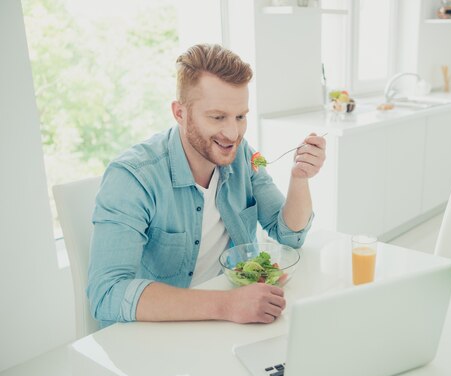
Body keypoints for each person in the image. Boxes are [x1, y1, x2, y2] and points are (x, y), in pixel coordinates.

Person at [87, 44, 326, 328]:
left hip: (227, 319)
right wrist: (227, 305)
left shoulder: (244, 157)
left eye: (240, 116)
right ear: (180, 113)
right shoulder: (133, 178)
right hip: (158, 330)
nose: (232, 133)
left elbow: (289, 236)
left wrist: (300, 178)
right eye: (217, 117)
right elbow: (106, 293)